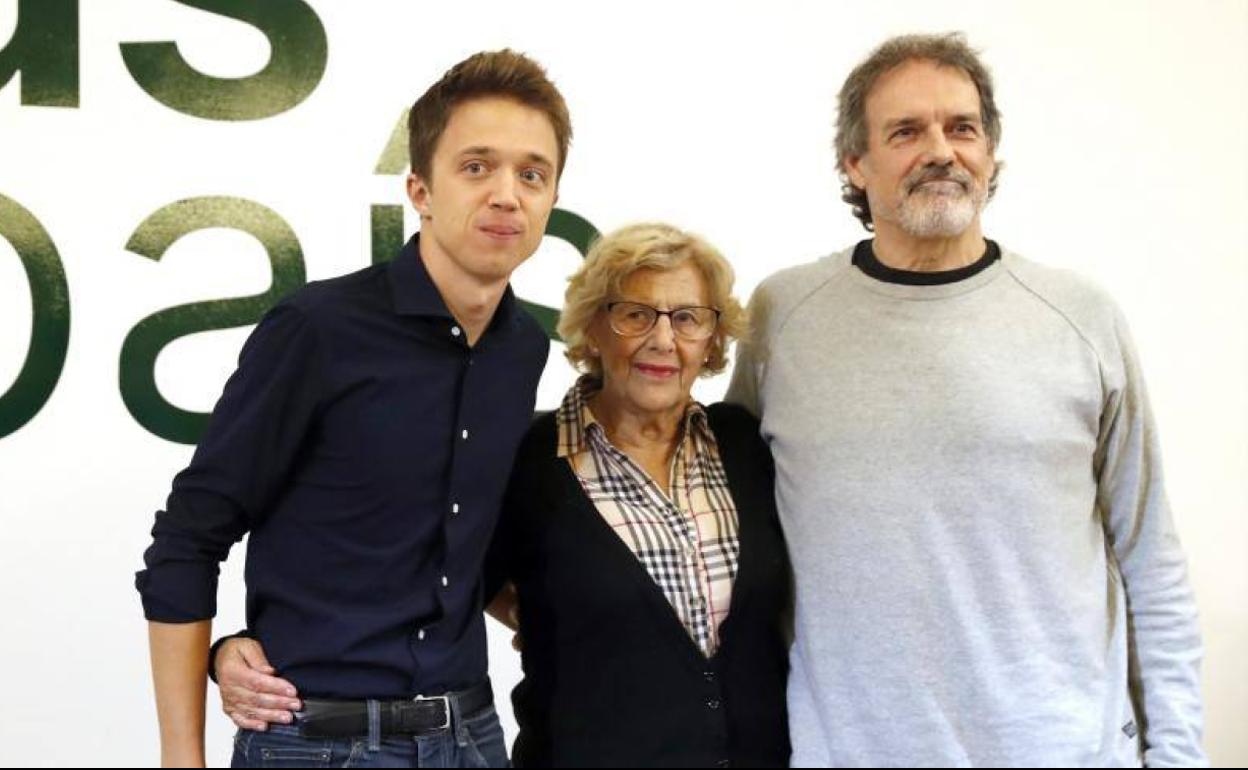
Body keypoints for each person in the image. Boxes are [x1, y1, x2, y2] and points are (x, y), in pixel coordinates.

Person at [727, 32, 1207, 767]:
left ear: (990, 153)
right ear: (855, 163)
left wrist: (1179, 754)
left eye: (962, 128)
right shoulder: (782, 317)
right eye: (906, 132)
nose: (941, 151)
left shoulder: (1081, 317)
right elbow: (740, 534)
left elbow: (1151, 558)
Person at [218, 223, 793, 767]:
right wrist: (238, 648)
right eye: (635, 314)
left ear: (712, 339)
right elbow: (417, 578)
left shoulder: (745, 446)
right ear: (594, 327)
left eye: (688, 318)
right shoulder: (527, 460)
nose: (662, 339)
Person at [136, 49, 571, 768]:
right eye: (476, 166)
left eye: (532, 174)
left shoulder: (521, 347)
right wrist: (183, 755)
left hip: (470, 734)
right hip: (319, 741)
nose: (507, 194)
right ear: (420, 190)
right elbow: (188, 537)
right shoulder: (319, 329)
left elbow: (455, 544)